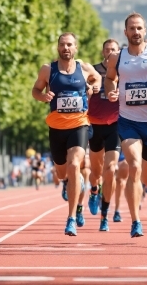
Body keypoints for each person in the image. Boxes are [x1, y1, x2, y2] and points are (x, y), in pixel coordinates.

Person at [104, 12, 147, 237]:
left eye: (139, 28)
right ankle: (136, 221)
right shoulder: (117, 57)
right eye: (131, 29)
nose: (136, 32)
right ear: (125, 32)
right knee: (134, 166)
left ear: (145, 31)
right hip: (128, 120)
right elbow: (110, 78)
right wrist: (110, 91)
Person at [32, 32, 102, 236]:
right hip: (56, 128)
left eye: (70, 45)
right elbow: (35, 90)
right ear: (57, 47)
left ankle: (71, 217)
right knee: (62, 172)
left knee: (74, 164)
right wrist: (43, 96)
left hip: (80, 124)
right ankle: (70, 183)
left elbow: (96, 76)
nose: (66, 48)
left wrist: (94, 85)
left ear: (76, 48)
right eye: (62, 45)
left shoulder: (83, 67)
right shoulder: (48, 70)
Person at [86, 39, 122, 231]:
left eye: (114, 50)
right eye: (107, 49)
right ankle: (94, 190)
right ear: (103, 52)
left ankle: (105, 215)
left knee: (111, 169)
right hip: (95, 125)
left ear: (118, 52)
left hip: (115, 126)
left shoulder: (123, 72)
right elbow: (82, 88)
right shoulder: (93, 71)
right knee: (96, 172)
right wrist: (90, 91)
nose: (110, 52)